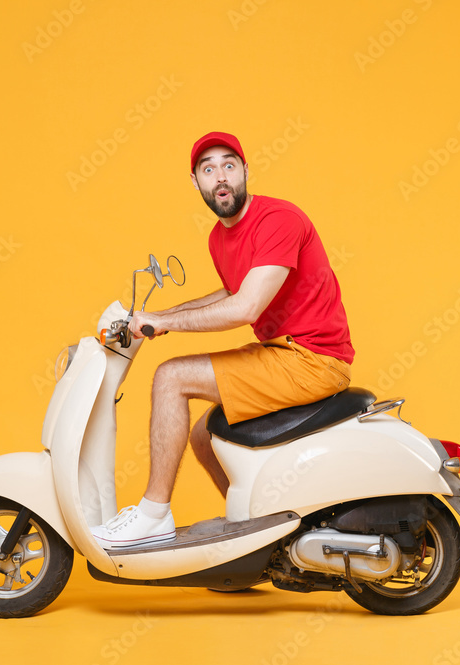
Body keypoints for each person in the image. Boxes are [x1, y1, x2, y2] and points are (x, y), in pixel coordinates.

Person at [89, 131, 354, 549]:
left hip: (312, 359)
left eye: (229, 165)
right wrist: (158, 317)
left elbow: (245, 308)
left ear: (246, 171)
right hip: (281, 353)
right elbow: (231, 291)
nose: (221, 177)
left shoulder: (278, 220)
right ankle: (254, 538)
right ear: (196, 182)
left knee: (171, 378)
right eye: (208, 169)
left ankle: (153, 514)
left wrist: (167, 322)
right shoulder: (219, 237)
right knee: (203, 435)